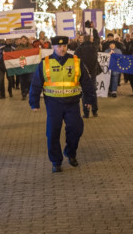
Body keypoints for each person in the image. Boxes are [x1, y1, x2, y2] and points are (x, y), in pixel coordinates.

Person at [29, 36, 96, 173]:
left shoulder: (76, 61)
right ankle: (56, 161)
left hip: (72, 103)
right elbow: (36, 83)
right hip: (54, 104)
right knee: (52, 133)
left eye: (64, 46)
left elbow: (86, 82)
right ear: (53, 47)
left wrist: (89, 99)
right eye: (59, 46)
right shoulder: (45, 63)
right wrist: (34, 102)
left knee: (76, 130)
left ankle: (70, 153)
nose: (62, 48)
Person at [75, 29, 100, 118]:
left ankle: (86, 113)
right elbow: (97, 39)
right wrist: (94, 29)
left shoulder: (79, 48)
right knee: (93, 91)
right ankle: (95, 111)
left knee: (85, 93)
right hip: (93, 73)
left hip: (84, 74)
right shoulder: (94, 47)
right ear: (90, 39)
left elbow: (75, 60)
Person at [16, 35, 34, 100]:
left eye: (25, 39)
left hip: (29, 67)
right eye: (22, 40)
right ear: (20, 41)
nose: (23, 41)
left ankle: (28, 89)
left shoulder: (30, 47)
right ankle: (23, 93)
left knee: (30, 80)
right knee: (22, 81)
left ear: (27, 40)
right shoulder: (17, 48)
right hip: (22, 67)